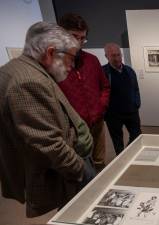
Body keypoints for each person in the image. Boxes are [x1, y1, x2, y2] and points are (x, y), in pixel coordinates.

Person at [0, 22, 95, 217]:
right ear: (51, 52)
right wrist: (81, 171)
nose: (72, 65)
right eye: (71, 58)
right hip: (68, 168)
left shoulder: (23, 69)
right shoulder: (28, 81)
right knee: (78, 211)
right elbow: (48, 143)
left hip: (69, 161)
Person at [58, 13, 110, 171]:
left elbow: (105, 87)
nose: (79, 42)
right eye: (74, 36)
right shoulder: (54, 64)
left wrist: (100, 108)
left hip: (97, 123)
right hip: (73, 130)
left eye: (82, 38)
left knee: (99, 161)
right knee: (79, 166)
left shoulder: (91, 60)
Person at [102, 43, 141, 155]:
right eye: (113, 55)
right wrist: (105, 112)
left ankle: (128, 153)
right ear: (106, 56)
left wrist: (137, 103)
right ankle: (122, 159)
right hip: (113, 115)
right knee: (117, 141)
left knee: (137, 135)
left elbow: (136, 89)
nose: (117, 58)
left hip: (131, 111)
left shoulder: (129, 71)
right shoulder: (103, 72)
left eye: (118, 55)